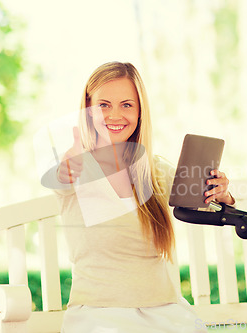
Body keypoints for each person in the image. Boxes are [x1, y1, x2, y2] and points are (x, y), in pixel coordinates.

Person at [53, 61, 235, 333]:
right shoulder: (77, 167)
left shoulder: (157, 171)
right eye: (104, 105)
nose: (115, 115)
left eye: (127, 105)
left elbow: (210, 206)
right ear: (89, 112)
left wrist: (223, 194)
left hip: (165, 311)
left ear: (140, 112)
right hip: (98, 315)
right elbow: (61, 180)